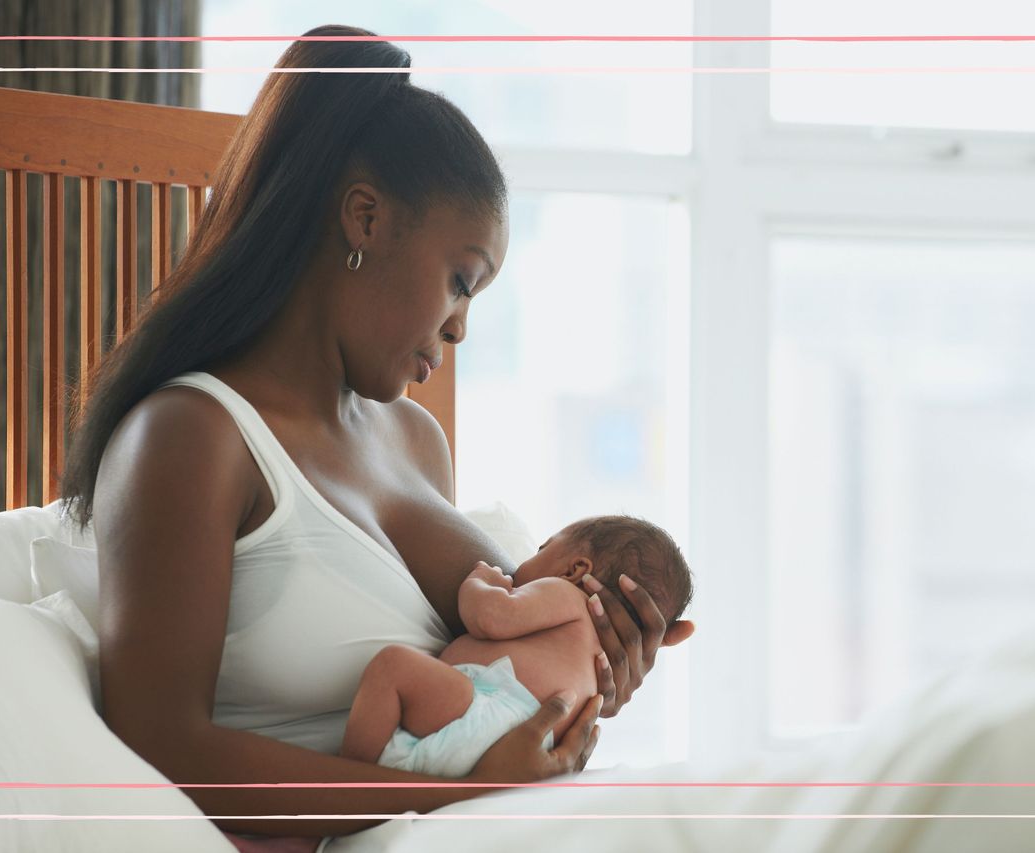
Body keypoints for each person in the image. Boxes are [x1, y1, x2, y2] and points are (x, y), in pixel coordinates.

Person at [58, 24, 695, 848]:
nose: (462, 326)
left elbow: (477, 691)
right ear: (365, 218)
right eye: (461, 279)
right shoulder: (189, 438)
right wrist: (459, 795)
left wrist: (592, 666)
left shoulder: (419, 440)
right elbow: (161, 747)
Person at [341, 515, 694, 775]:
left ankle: (343, 790)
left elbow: (492, 617)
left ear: (575, 569)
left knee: (393, 667)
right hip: (534, 749)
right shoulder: (597, 652)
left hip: (486, 715)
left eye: (543, 548)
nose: (522, 563)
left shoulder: (567, 595)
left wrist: (482, 580)